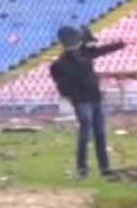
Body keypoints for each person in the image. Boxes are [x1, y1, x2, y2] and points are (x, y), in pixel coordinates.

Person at [49, 25, 125, 179]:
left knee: (98, 134)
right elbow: (64, 84)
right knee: (88, 134)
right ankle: (87, 168)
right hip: (84, 99)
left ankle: (100, 168)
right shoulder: (65, 62)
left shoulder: (74, 57)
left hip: (92, 98)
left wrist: (119, 44)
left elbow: (101, 50)